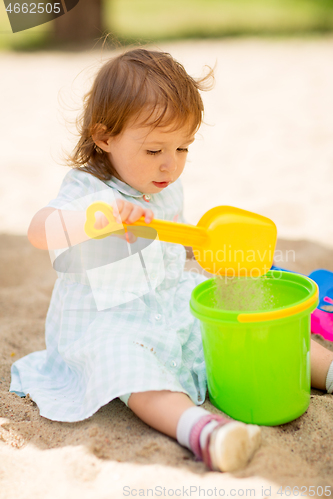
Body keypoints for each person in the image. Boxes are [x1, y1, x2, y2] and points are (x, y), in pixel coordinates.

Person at [10, 48, 333, 473]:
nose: (170, 164)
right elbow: (39, 229)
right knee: (132, 368)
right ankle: (201, 431)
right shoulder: (87, 189)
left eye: (182, 148)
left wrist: (201, 250)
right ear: (104, 137)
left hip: (167, 302)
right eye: (154, 150)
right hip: (109, 320)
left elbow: (170, 247)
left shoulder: (164, 187)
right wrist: (94, 221)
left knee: (239, 322)